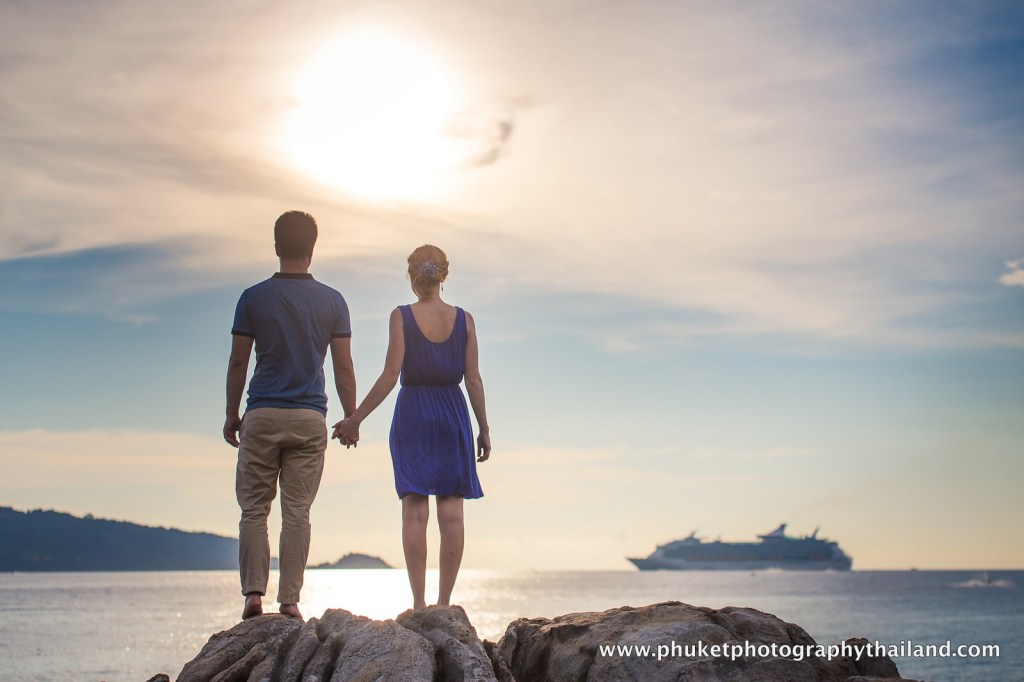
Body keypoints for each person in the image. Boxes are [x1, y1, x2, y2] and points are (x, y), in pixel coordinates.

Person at [333, 244, 490, 610]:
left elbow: (390, 375)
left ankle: (419, 604)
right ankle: (444, 604)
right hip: (453, 414)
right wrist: (483, 427)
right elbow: (473, 380)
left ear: (411, 275)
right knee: (452, 514)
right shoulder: (465, 320)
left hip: (413, 413)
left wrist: (356, 418)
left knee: (414, 512)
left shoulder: (401, 316)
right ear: (443, 275)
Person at [223, 210, 356, 621]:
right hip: (309, 418)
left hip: (262, 413)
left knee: (253, 510)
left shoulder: (253, 298)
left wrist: (231, 414)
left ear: (277, 246)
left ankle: (253, 595)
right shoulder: (333, 301)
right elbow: (343, 366)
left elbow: (238, 363)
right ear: (312, 249)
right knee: (297, 511)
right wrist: (351, 416)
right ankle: (290, 602)